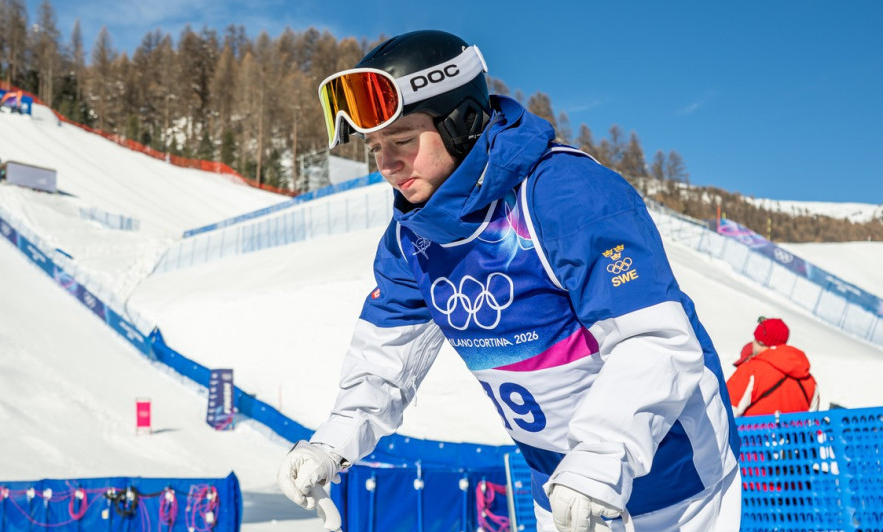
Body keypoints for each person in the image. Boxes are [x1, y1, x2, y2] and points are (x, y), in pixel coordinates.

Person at [277, 30, 741, 532]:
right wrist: (332, 443)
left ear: (462, 123)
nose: (387, 164)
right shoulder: (410, 240)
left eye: (404, 141)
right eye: (375, 148)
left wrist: (601, 456)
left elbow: (655, 342)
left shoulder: (564, 194)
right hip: (563, 492)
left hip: (678, 491)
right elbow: (385, 363)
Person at [727, 317, 819, 416]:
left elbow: (725, 410)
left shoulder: (750, 370)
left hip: (751, 431)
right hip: (794, 431)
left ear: (760, 342)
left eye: (755, 338)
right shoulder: (809, 381)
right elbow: (813, 422)